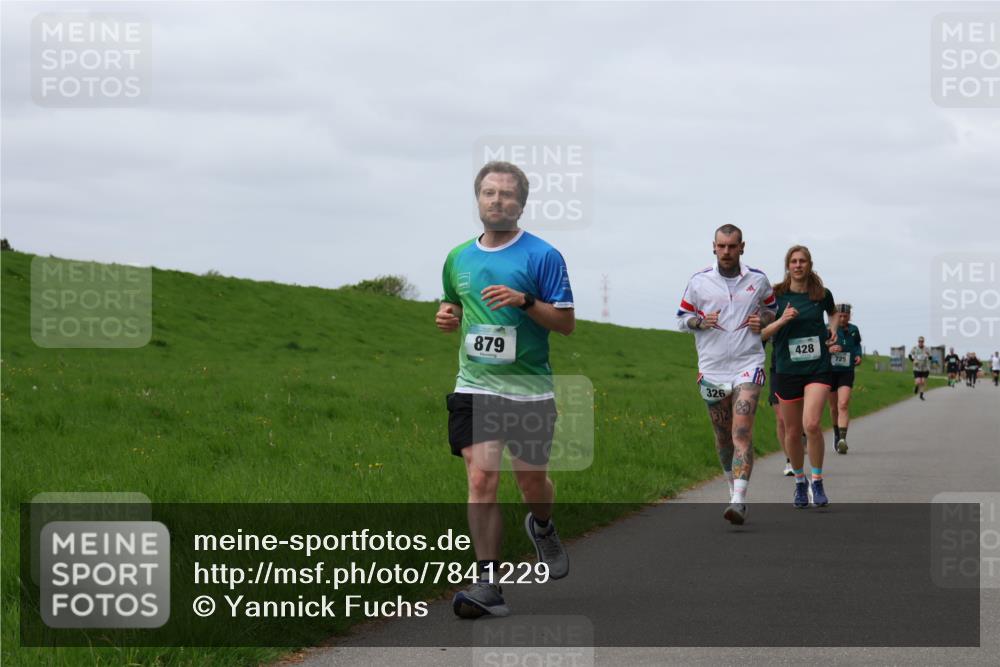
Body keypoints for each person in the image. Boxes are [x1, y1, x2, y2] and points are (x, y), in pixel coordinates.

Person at [437, 161, 575, 618]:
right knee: (481, 478)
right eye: (489, 193)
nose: (498, 201)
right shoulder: (458, 257)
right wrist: (447, 316)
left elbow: (567, 324)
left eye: (507, 194)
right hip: (475, 385)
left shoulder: (543, 256)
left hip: (529, 389)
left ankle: (542, 524)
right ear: (478, 198)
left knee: (531, 481)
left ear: (522, 203)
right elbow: (454, 301)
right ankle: (488, 583)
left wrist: (526, 301)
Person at [677, 225, 777, 525]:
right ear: (713, 247)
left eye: (732, 246)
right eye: (721, 246)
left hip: (749, 362)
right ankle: (732, 487)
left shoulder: (758, 279)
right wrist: (698, 321)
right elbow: (681, 320)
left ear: (742, 247)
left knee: (741, 431)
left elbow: (772, 309)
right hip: (712, 368)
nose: (726, 252)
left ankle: (739, 500)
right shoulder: (698, 282)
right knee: (723, 438)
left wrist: (764, 320)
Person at [761, 246, 840, 509]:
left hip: (817, 367)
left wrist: (833, 329)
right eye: (793, 261)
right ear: (788, 266)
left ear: (809, 264)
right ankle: (799, 481)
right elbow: (762, 332)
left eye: (802, 261)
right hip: (787, 369)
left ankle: (817, 480)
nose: (798, 265)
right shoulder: (775, 295)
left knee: (812, 425)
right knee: (792, 432)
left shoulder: (821, 294)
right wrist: (782, 320)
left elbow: (834, 312)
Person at [828, 304, 862, 454]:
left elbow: (857, 345)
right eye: (840, 316)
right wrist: (829, 349)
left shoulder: (854, 330)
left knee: (843, 403)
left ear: (849, 316)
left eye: (845, 316)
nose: (842, 319)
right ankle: (836, 435)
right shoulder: (827, 329)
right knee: (834, 407)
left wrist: (858, 355)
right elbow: (820, 347)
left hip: (846, 371)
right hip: (829, 372)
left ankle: (843, 439)